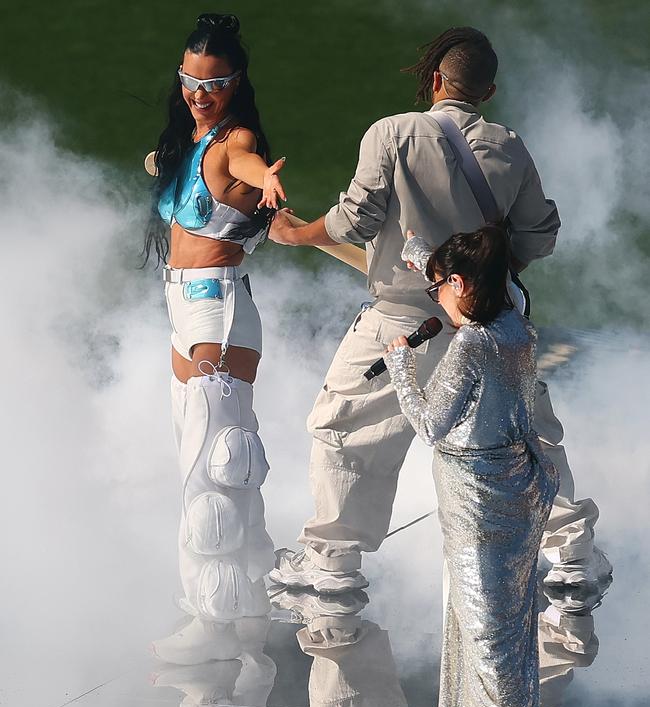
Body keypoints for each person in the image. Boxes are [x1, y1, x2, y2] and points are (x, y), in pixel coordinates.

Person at [268, 26, 610, 595]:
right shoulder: (509, 146)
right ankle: (574, 555)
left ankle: (332, 563)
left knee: (347, 432)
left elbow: (354, 221)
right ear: (489, 90)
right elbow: (541, 235)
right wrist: (488, 273)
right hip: (491, 321)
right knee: (529, 440)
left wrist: (297, 233)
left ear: (434, 80)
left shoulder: (392, 133)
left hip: (401, 318)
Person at [384, 225, 558, 707]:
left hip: (481, 498)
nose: (435, 300)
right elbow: (490, 274)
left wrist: (401, 366)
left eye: (437, 288)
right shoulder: (516, 325)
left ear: (460, 284)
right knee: (481, 621)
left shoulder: (475, 344)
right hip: (507, 490)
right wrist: (419, 255)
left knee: (486, 630)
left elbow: (433, 424)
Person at [145, 13, 283, 664]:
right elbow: (176, 166)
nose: (200, 94)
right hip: (186, 309)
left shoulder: (236, 140)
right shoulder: (194, 136)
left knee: (214, 471)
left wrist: (266, 179)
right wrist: (161, 160)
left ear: (237, 83)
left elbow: (249, 162)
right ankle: (249, 604)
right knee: (205, 463)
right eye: (190, 81)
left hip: (215, 309)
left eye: (215, 83)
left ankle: (214, 625)